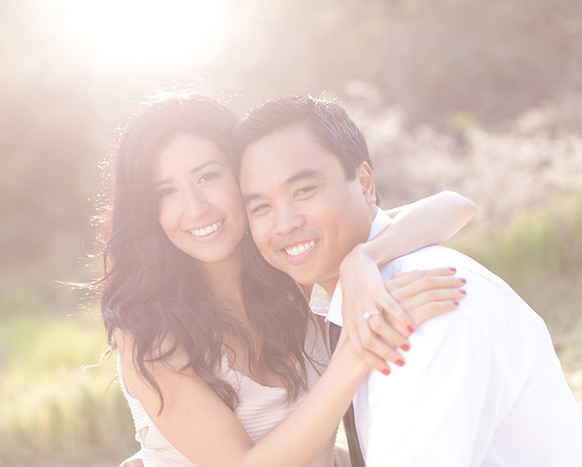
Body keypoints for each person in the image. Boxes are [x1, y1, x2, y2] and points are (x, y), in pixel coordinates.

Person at [102, 94, 475, 467]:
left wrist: (363, 258)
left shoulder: (293, 272)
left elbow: (454, 206)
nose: (196, 208)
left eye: (208, 176)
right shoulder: (148, 334)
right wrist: (356, 350)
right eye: (166, 192)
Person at [236, 95, 582, 466]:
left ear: (366, 184)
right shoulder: (340, 295)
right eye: (261, 207)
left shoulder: (423, 308)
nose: (284, 223)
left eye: (304, 191)